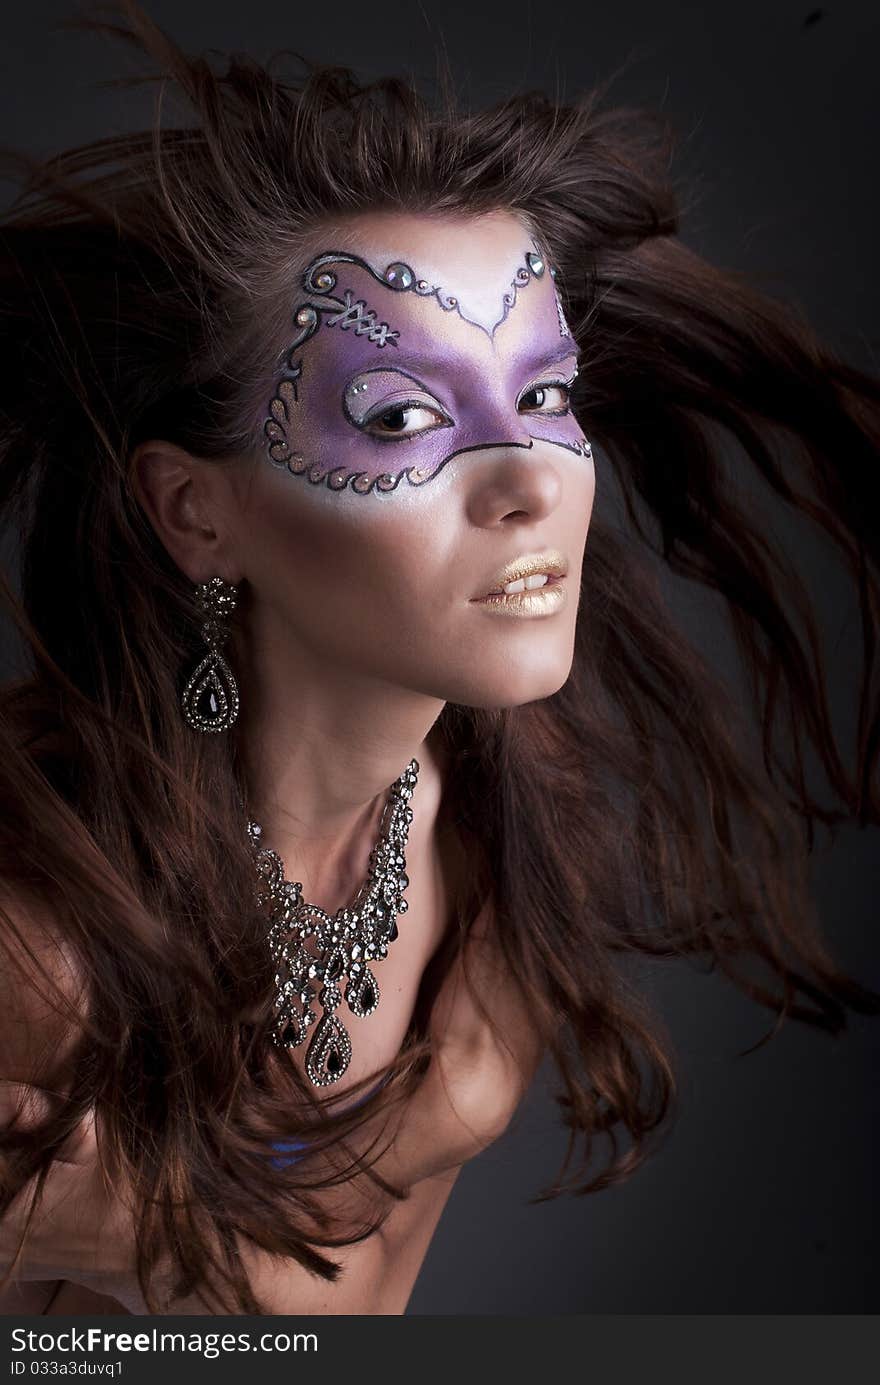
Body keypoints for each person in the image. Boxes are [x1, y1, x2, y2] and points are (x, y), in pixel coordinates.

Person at [1, 1, 877, 1316]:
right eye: (406, 412)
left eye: (543, 394)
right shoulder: (44, 949)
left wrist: (249, 1206)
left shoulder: (509, 808)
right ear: (198, 513)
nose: (530, 476)